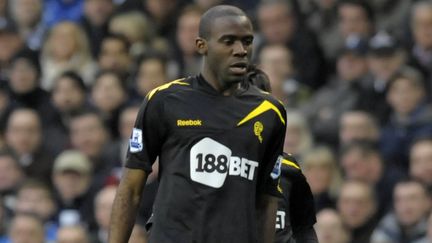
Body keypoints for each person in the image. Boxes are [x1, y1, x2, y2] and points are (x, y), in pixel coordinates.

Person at [109, 5, 286, 243]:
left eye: (247, 41)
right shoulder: (164, 100)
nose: (241, 50)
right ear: (202, 45)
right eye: (228, 41)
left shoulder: (270, 112)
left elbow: (267, 200)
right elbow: (130, 189)